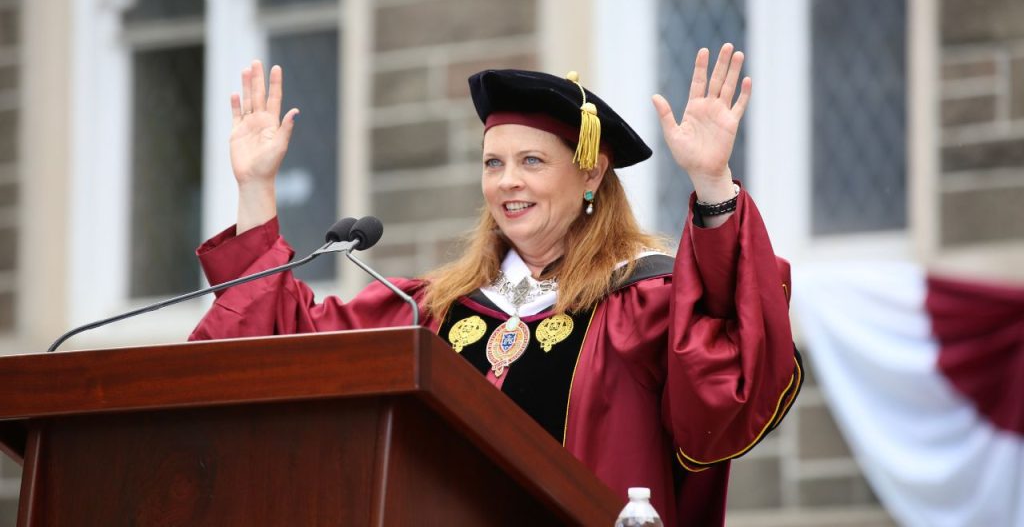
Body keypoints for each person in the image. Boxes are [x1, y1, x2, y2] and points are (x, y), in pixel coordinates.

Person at [190, 44, 802, 527]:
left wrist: (714, 182)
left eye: (532, 162)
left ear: (589, 173)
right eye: (493, 163)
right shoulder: (429, 311)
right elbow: (280, 341)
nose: (508, 182)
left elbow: (735, 363)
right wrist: (255, 187)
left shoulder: (643, 303)